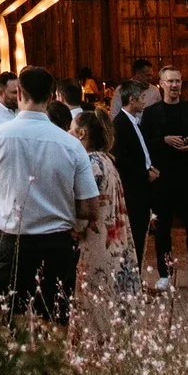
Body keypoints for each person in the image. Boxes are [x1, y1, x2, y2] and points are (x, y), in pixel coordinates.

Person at [0, 64, 100, 324]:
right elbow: (90, 208)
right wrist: (57, 203)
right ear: (53, 96)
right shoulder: (72, 145)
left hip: (12, 243)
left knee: (4, 325)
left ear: (19, 93)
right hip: (57, 245)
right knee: (53, 326)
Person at [137, 64, 188, 291]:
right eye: (170, 81)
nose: (174, 85)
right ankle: (164, 273)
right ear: (161, 84)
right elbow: (143, 146)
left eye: (177, 81)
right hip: (162, 179)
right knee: (162, 229)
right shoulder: (151, 113)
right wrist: (164, 140)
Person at [71, 106, 135, 326]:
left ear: (81, 133)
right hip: (114, 239)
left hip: (97, 242)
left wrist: (74, 228)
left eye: (71, 130)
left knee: (94, 300)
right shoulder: (107, 160)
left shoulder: (90, 164)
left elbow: (87, 206)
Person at [110, 79, 155, 269]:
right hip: (132, 188)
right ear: (132, 99)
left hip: (140, 185)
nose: (144, 101)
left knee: (140, 231)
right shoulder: (120, 124)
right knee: (134, 232)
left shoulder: (133, 121)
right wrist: (145, 173)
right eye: (141, 98)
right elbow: (122, 158)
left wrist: (149, 166)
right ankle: (131, 272)